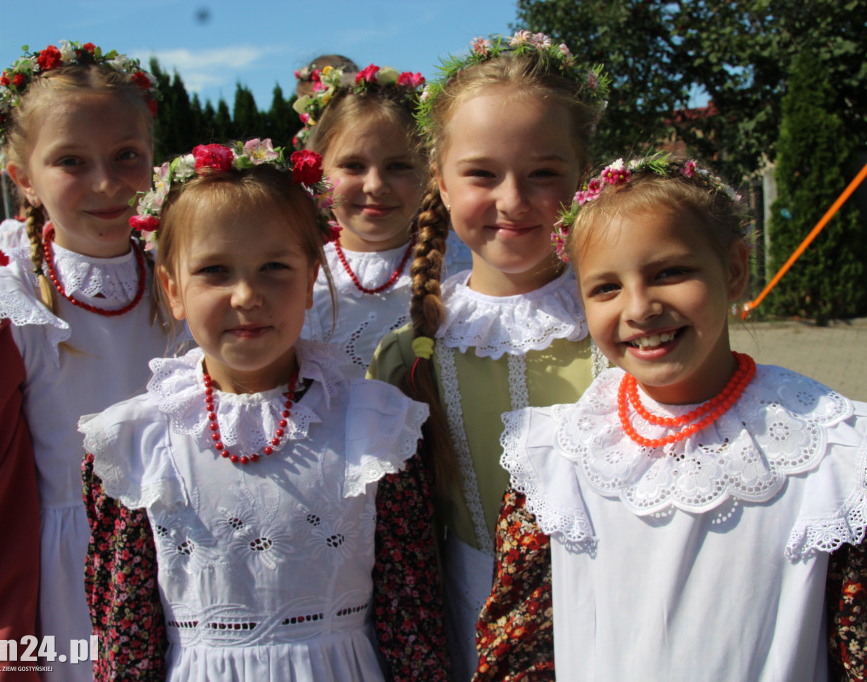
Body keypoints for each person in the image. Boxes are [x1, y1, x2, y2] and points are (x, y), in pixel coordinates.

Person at [493, 154, 867, 680]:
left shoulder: (835, 454)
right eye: (605, 287)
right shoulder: (554, 459)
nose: (639, 308)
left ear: (735, 270)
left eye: (670, 272)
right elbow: (520, 650)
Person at [81, 140, 450, 680]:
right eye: (214, 271)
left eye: (274, 266)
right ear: (173, 288)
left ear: (309, 281)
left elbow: (410, 619)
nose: (247, 295)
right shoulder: (134, 443)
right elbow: (124, 636)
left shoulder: (375, 429)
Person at [0, 41, 167, 682]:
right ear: (21, 174)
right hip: (69, 589)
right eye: (72, 162)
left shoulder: (186, 280)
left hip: (189, 567)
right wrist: (4, 651)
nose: (107, 183)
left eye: (126, 156)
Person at [367, 32, 609, 679]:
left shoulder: (620, 330)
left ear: (582, 178)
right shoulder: (410, 352)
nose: (512, 199)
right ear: (440, 182)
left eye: (543, 173)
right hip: (473, 620)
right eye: (482, 173)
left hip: (616, 613)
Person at [296, 62, 427, 375]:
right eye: (353, 166)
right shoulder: (298, 271)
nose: (376, 186)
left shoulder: (461, 263)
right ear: (318, 169)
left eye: (398, 166)